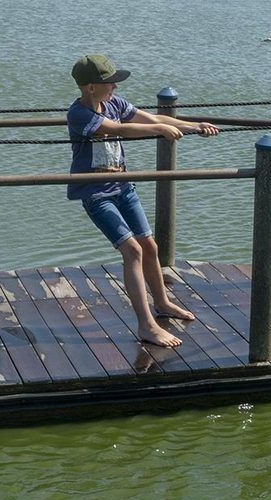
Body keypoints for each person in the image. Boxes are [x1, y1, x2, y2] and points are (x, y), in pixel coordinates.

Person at [67, 53, 218, 347]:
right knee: (132, 251)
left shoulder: (114, 103)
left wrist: (194, 126)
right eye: (108, 83)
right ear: (89, 88)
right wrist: (160, 130)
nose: (114, 87)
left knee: (150, 245)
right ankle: (146, 325)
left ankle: (162, 302)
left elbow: (152, 119)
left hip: (123, 186)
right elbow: (118, 129)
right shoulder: (78, 114)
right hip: (96, 193)